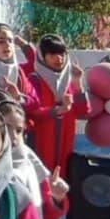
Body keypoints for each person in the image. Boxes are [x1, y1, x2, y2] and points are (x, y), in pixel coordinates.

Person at [24, 35, 89, 176]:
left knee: (63, 179)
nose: (59, 58)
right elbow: (32, 112)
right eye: (52, 54)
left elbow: (83, 112)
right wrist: (58, 110)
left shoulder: (69, 81)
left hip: (65, 147)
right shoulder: (34, 80)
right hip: (41, 143)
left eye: (62, 54)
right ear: (42, 57)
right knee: (42, 180)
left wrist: (78, 84)